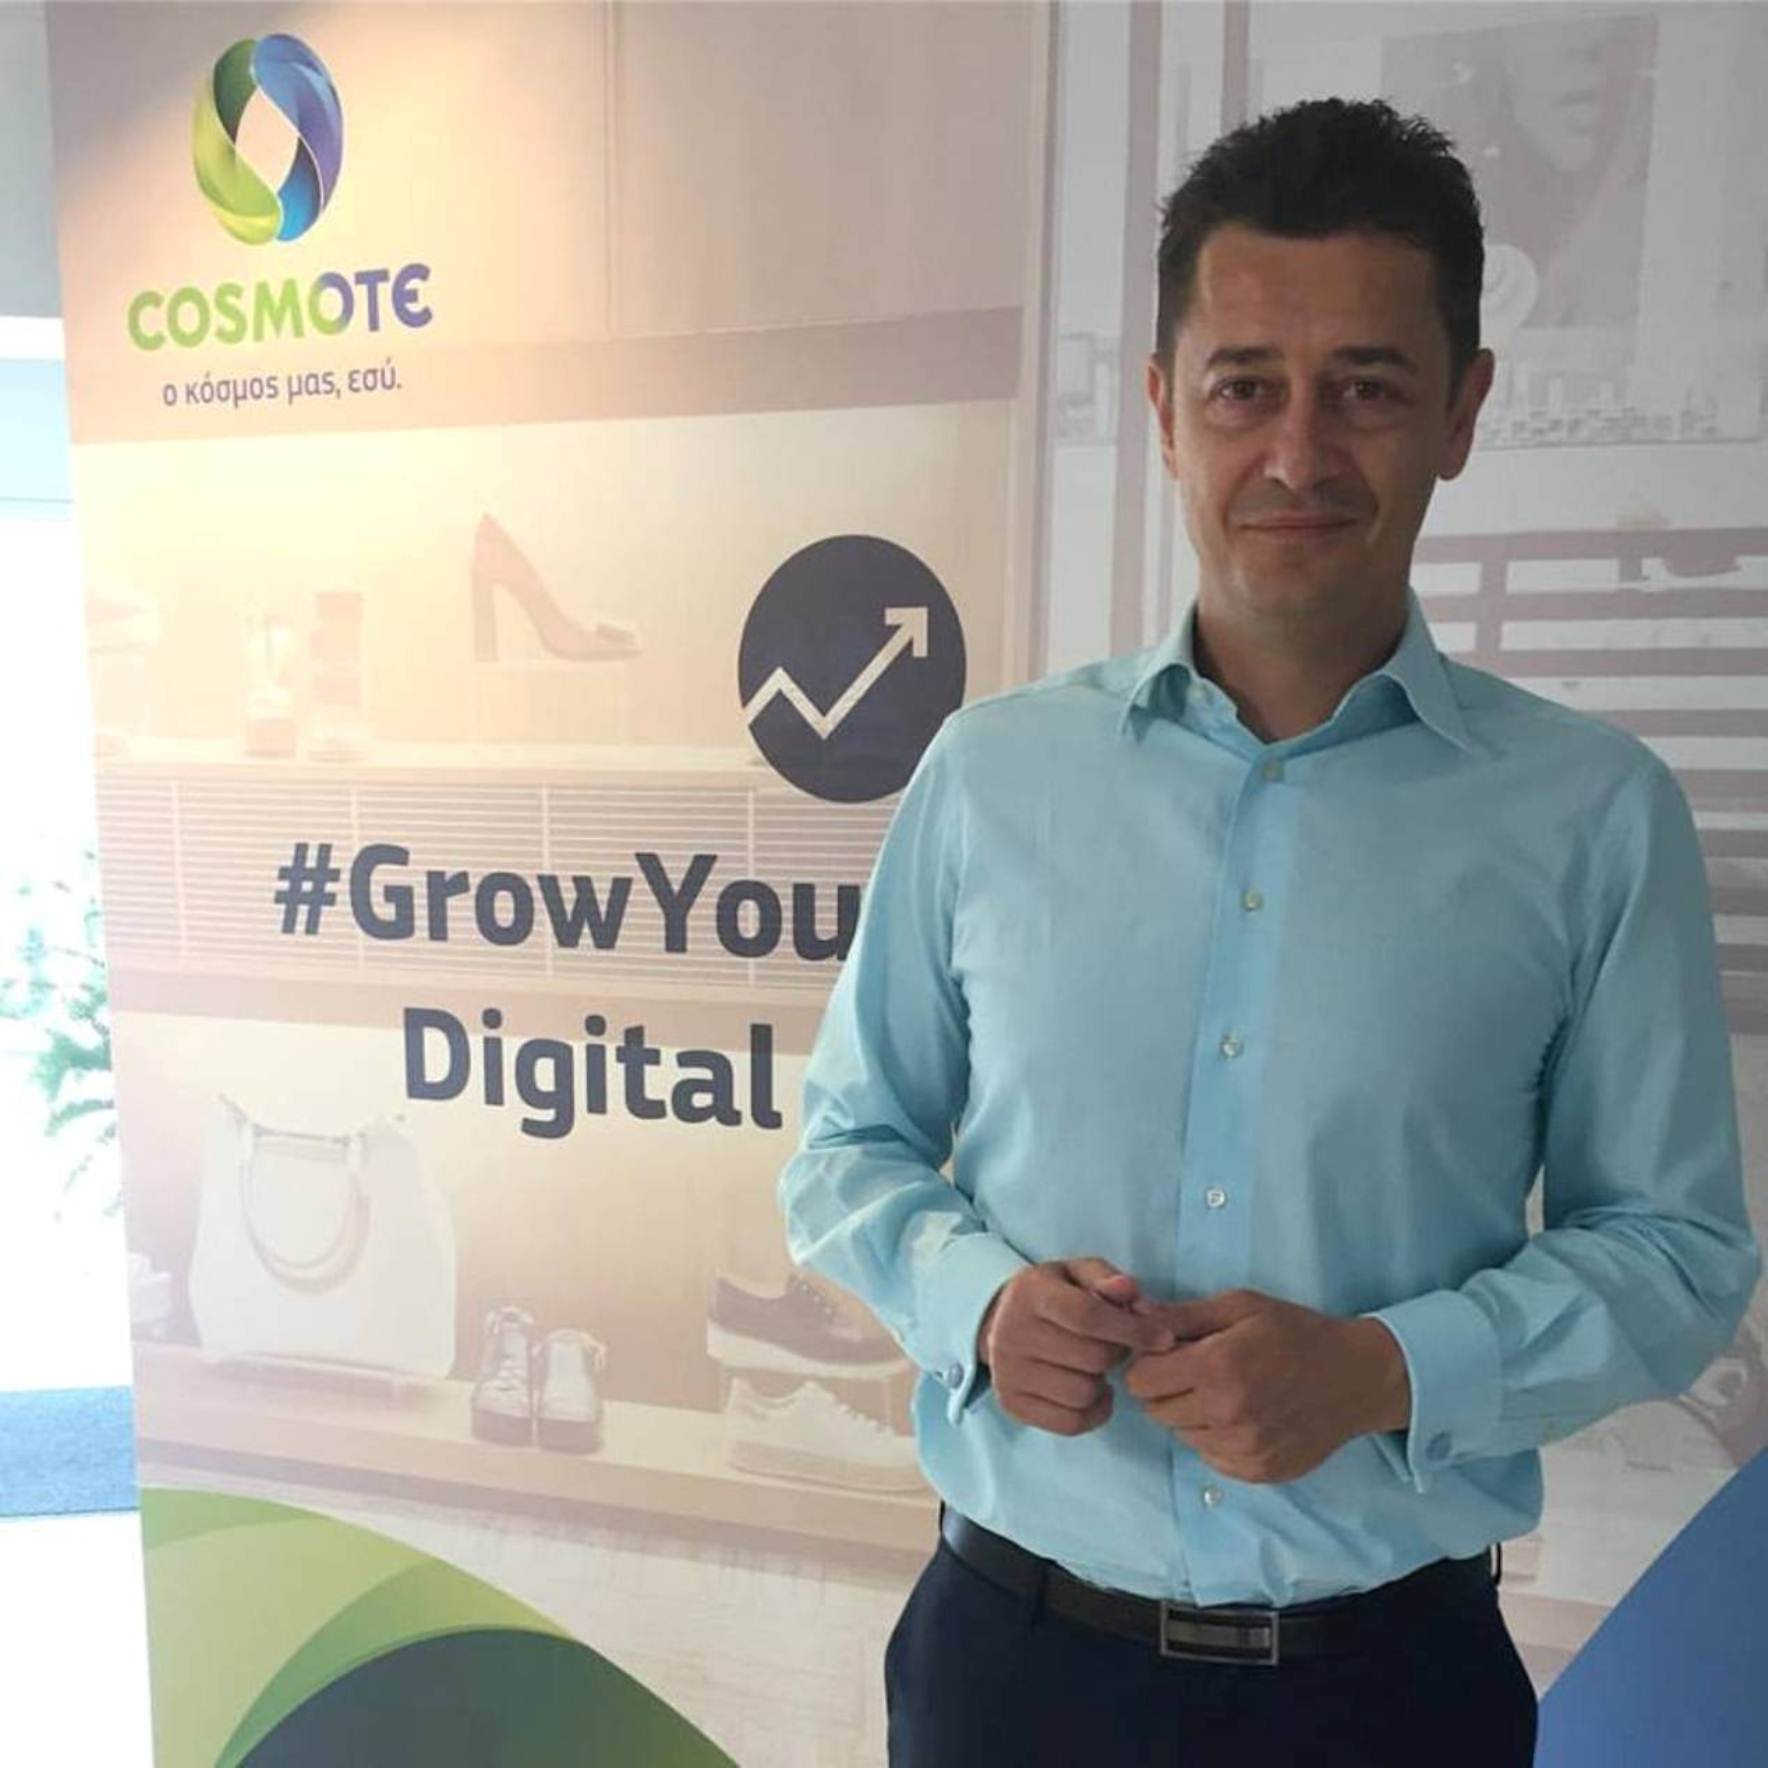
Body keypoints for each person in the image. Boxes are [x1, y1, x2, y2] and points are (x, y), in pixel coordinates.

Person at [776, 96, 1761, 1767]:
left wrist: (1386, 1372)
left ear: (1462, 411)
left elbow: (1678, 1256)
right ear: (1167, 410)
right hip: (1012, 1671)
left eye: (1366, 388)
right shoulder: (991, 777)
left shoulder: (1591, 816)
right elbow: (844, 1147)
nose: (1298, 456)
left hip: (1389, 1694)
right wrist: (981, 1309)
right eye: (1245, 388)